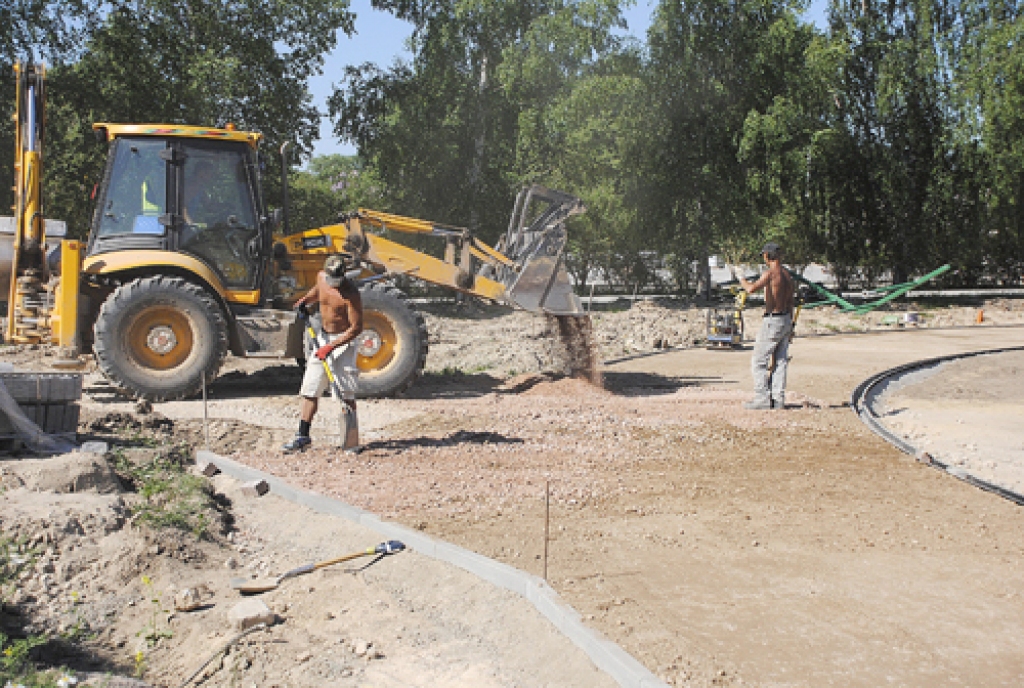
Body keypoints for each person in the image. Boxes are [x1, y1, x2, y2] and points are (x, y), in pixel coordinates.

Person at [283, 254, 364, 452]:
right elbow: (318, 291)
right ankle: (302, 436)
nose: (331, 283)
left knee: (345, 392)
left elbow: (356, 328)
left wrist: (331, 347)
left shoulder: (351, 294)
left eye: (335, 280)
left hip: (344, 342)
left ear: (343, 276)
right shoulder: (321, 278)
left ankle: (351, 441)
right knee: (311, 388)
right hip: (322, 339)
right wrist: (305, 301)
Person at [732, 242, 795, 410]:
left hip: (772, 320)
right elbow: (790, 302)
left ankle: (762, 398)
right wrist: (792, 327)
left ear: (767, 255)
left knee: (759, 361)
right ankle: (778, 398)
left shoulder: (771, 274)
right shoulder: (787, 276)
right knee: (780, 360)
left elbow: (751, 289)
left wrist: (741, 278)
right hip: (786, 319)